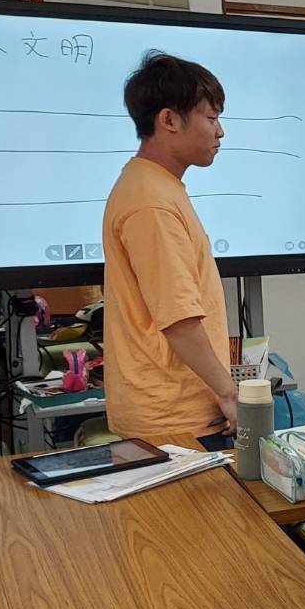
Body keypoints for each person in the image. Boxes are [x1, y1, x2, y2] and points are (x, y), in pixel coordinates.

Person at [103, 52, 235, 438]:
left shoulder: (156, 186)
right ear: (169, 120)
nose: (220, 132)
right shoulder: (151, 202)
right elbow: (178, 319)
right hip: (173, 419)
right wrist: (229, 393)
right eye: (211, 118)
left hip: (177, 410)